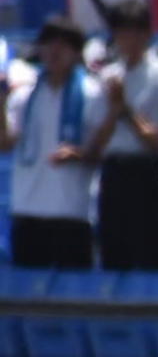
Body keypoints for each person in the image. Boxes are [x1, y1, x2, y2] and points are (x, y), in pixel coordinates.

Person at [0, 18, 107, 268]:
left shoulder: (92, 94)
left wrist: (78, 154)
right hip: (28, 210)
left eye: (62, 45)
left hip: (73, 213)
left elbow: (102, 152)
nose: (54, 52)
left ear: (75, 51)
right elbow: (5, 145)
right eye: (48, 44)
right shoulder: (24, 97)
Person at [90, 0, 158, 271]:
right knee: (113, 252)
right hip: (113, 171)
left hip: (147, 174)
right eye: (121, 32)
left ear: (147, 34)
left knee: (148, 252)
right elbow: (98, 140)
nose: (128, 40)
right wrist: (114, 110)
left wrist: (125, 110)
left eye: (134, 32)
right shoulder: (108, 76)